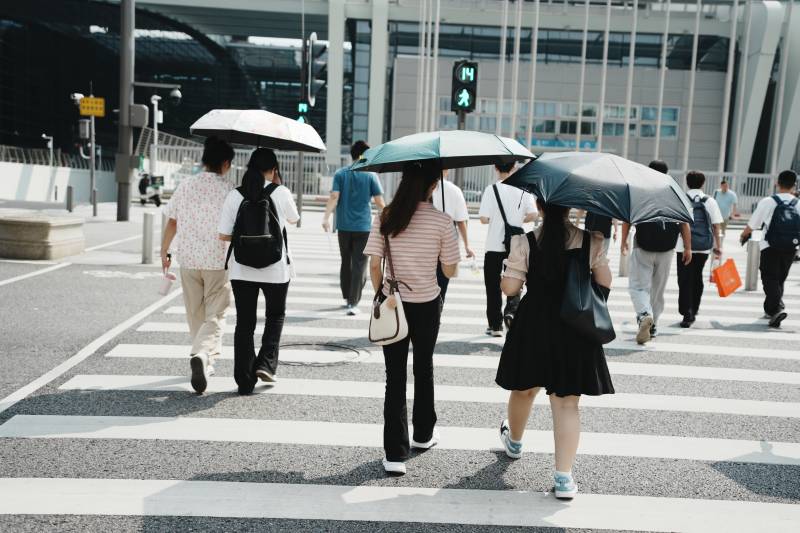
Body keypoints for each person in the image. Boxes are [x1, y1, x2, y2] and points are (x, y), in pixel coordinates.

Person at [495, 200, 614, 501]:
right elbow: (605, 281)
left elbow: (510, 289)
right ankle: (563, 479)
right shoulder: (591, 240)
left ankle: (515, 443)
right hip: (574, 326)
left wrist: (507, 271)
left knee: (524, 388)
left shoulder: (525, 241)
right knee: (566, 403)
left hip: (534, 323)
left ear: (539, 204)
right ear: (571, 206)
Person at [363, 160, 461, 476]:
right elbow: (450, 270)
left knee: (395, 376)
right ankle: (422, 434)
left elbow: (374, 266)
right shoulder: (443, 221)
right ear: (433, 186)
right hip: (428, 304)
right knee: (424, 367)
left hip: (394, 303)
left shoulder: (387, 217)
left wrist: (382, 292)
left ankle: (394, 453)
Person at [218, 148, 299, 394]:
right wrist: (278, 185)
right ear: (274, 169)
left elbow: (223, 235)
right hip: (275, 267)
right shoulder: (281, 192)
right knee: (275, 316)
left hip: (242, 269)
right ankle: (265, 363)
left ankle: (244, 380)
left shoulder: (235, 194)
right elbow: (294, 219)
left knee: (245, 323)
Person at [160, 136, 236, 394]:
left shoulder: (186, 185)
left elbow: (172, 221)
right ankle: (203, 354)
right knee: (217, 312)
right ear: (225, 163)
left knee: (195, 312)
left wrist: (164, 251)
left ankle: (203, 357)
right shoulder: (229, 189)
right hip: (217, 259)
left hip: (189, 258)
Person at [620, 160, 692, 344]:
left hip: (643, 245)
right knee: (658, 289)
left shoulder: (639, 188)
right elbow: (684, 221)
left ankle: (644, 314)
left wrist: (623, 241)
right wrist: (688, 248)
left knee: (638, 286)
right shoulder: (675, 191)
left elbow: (628, 217)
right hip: (667, 248)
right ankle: (654, 325)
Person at [323, 141, 386, 315]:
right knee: (359, 264)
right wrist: (389, 220)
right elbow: (379, 202)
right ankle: (353, 301)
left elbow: (334, 197)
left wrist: (326, 218)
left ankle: (347, 296)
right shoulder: (370, 175)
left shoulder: (340, 173)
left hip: (344, 226)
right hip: (364, 227)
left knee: (346, 261)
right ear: (364, 155)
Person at [479, 161, 537, 336]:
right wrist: (518, 221)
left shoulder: (491, 189)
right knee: (516, 280)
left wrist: (496, 220)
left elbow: (483, 218)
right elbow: (534, 214)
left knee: (492, 285)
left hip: (494, 245)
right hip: (516, 245)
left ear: (496, 168)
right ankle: (511, 312)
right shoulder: (522, 189)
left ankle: (495, 325)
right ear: (514, 168)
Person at [739, 170, 800, 328]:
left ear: (777, 183)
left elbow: (753, 224)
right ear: (794, 185)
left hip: (770, 246)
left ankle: (777, 308)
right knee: (779, 279)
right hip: (791, 247)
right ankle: (771, 310)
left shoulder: (768, 201)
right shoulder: (798, 203)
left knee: (769, 277)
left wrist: (743, 235)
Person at [677, 171, 723, 328]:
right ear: (703, 183)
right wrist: (718, 246)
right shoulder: (710, 201)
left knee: (684, 279)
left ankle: (686, 312)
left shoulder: (680, 197)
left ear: (687, 182)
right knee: (697, 277)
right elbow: (716, 225)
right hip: (703, 247)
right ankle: (694, 309)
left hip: (682, 246)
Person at [431, 168, 475, 300]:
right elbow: (461, 220)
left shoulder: (424, 188)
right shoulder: (455, 190)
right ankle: (438, 311)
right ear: (447, 170)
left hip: (426, 242)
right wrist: (467, 245)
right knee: (442, 283)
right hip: (448, 242)